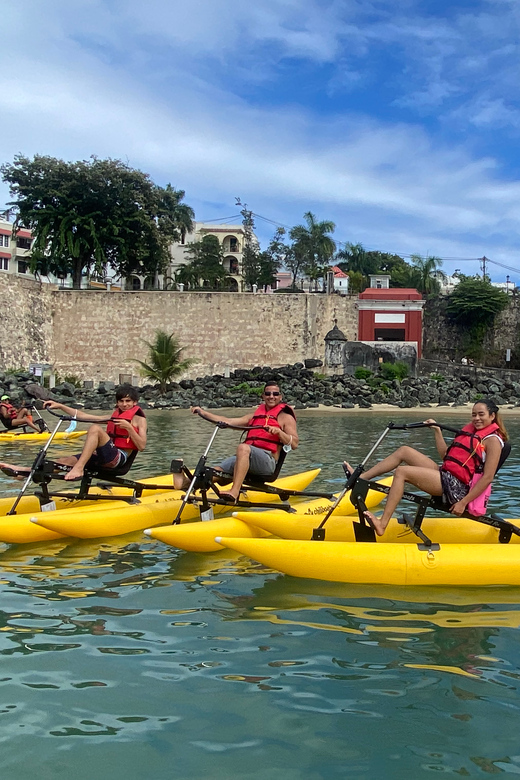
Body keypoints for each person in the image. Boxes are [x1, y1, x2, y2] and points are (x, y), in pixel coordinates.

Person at [345, 399, 508, 537]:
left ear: (492, 416)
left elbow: (488, 477)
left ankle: (382, 524)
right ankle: (361, 478)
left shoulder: (493, 441)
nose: (477, 418)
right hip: (446, 474)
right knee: (404, 451)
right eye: (474, 415)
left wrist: (463, 503)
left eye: (481, 415)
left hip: (457, 488)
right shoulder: (471, 433)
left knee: (402, 472)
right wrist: (437, 431)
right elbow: (446, 457)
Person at [179, 381, 299, 502]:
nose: (271, 396)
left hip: (268, 463)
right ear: (263, 396)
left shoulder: (285, 418)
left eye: (275, 394)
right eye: (268, 393)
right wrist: (203, 412)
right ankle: (186, 483)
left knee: (243, 448)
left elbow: (294, 444)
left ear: (280, 397)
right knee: (215, 472)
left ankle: (234, 491)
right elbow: (227, 421)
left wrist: (279, 432)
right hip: (246, 457)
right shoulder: (253, 417)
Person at [0, 384, 147, 482]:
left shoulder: (139, 420)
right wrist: (60, 406)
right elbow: (83, 416)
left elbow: (141, 446)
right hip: (103, 455)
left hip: (119, 459)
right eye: (121, 401)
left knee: (95, 429)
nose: (124, 404)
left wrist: (128, 428)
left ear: (135, 403)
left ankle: (79, 468)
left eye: (128, 401)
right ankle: (23, 472)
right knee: (64, 461)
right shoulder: (114, 417)